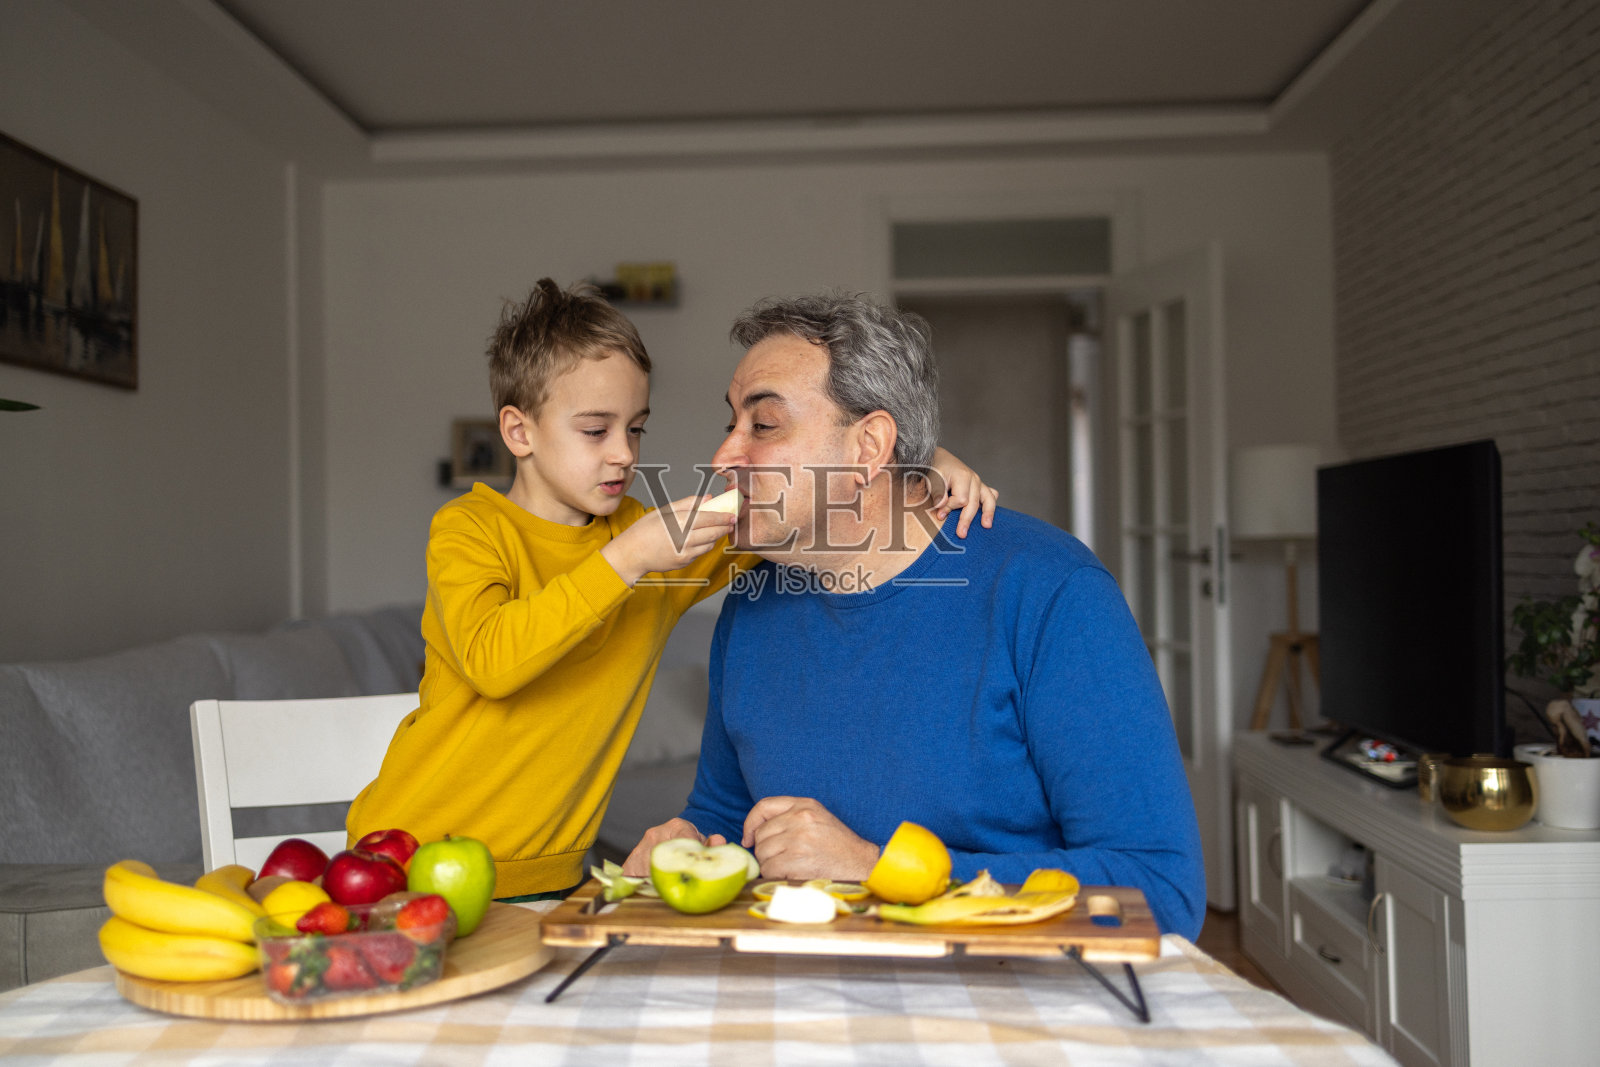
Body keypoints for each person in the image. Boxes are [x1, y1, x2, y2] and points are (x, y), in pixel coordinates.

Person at [346, 279, 995, 901]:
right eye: (596, 430)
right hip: (406, 860)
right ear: (519, 432)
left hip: (553, 879)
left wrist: (917, 460)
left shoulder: (644, 534)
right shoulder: (472, 529)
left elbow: (779, 505)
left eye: (637, 429)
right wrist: (627, 558)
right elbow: (494, 660)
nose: (625, 454)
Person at [624, 292, 1205, 938]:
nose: (723, 457)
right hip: (803, 1005)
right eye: (731, 423)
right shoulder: (751, 609)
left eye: (762, 426)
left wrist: (877, 868)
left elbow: (1162, 886)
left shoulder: (1051, 592)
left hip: (1001, 1010)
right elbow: (727, 819)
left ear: (868, 446)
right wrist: (686, 841)